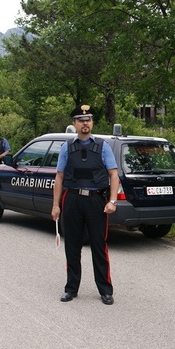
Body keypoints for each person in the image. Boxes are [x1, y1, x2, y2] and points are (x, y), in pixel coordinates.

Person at [51, 105, 119, 305]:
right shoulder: (67, 147)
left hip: (96, 201)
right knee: (72, 246)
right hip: (72, 200)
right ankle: (71, 288)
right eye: (81, 120)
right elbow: (60, 176)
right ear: (74, 124)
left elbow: (113, 174)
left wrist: (112, 201)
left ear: (92, 123)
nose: (85, 123)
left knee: (99, 246)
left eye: (88, 120)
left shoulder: (102, 146)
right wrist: (56, 205)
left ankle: (105, 290)